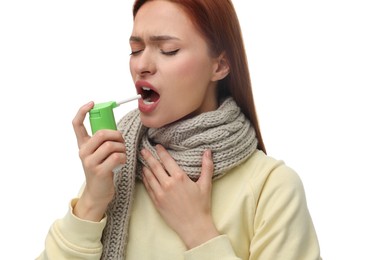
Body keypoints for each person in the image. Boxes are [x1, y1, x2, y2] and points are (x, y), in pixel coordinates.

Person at [37, 0, 321, 259]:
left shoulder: (272, 188)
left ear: (219, 65)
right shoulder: (117, 171)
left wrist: (198, 231)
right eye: (136, 49)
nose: (142, 65)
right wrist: (91, 203)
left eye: (168, 50)